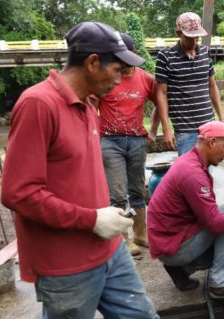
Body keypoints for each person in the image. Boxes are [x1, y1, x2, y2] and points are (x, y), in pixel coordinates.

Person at [1, 21, 166, 319]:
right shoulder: (38, 104)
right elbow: (18, 192)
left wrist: (106, 216)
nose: (122, 79)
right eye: (118, 70)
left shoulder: (89, 104)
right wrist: (90, 219)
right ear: (92, 62)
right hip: (67, 263)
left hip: (109, 250)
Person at [147, 121, 224, 302]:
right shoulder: (192, 173)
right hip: (173, 248)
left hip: (169, 241)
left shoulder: (190, 162)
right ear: (211, 142)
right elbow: (216, 224)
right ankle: (221, 284)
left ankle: (182, 268)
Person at [98, 33, 165, 255]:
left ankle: (140, 233)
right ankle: (122, 239)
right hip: (110, 140)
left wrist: (155, 130)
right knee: (117, 193)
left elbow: (160, 102)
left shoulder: (145, 79)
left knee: (137, 189)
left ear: (133, 54)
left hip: (137, 140)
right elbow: (90, 106)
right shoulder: (106, 79)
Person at [154, 12, 224, 155]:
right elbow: (161, 93)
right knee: (189, 173)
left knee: (208, 173)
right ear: (179, 33)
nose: (194, 41)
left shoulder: (205, 52)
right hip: (185, 131)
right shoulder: (165, 56)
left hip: (209, 126)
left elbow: (212, 86)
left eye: (197, 37)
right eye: (190, 37)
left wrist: (222, 119)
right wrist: (166, 129)